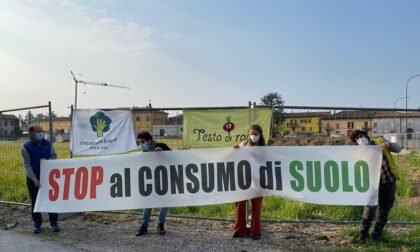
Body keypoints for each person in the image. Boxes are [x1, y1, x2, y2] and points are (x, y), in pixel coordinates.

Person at [350, 130, 401, 244]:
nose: (360, 139)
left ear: (366, 136)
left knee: (384, 212)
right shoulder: (358, 152)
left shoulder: (380, 142)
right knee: (368, 211)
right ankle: (362, 237)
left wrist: (390, 145)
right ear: (355, 142)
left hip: (389, 182)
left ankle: (377, 236)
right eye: (356, 139)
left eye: (361, 136)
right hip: (372, 186)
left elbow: (398, 148)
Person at [21, 125, 59, 233]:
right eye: (38, 131)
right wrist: (33, 179)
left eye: (41, 131)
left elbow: (54, 156)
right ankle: (37, 224)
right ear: (31, 133)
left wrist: (48, 160)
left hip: (49, 177)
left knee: (52, 199)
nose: (41, 133)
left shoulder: (48, 144)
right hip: (34, 178)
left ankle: (54, 223)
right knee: (35, 201)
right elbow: (27, 165)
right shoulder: (26, 147)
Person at [232, 124, 265, 240]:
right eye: (251, 134)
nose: (253, 136)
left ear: (260, 135)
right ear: (248, 135)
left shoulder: (265, 148)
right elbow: (235, 156)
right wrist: (235, 149)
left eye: (255, 134)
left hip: (258, 181)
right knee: (240, 205)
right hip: (243, 180)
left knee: (256, 206)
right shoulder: (243, 145)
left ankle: (255, 231)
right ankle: (239, 230)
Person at [136, 131, 170, 236]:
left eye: (143, 141)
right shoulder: (145, 152)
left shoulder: (161, 146)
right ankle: (144, 226)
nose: (141, 144)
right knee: (147, 202)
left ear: (149, 141)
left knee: (164, 204)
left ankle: (160, 225)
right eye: (140, 142)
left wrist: (163, 153)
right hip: (150, 180)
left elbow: (174, 156)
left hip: (164, 179)